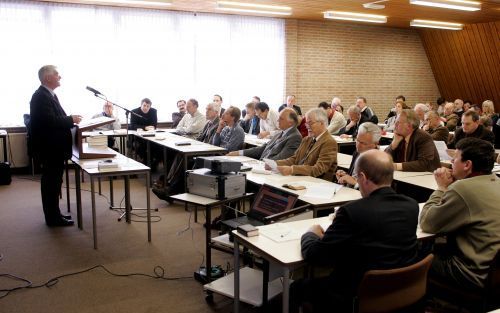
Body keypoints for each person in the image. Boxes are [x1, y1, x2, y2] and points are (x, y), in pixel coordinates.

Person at [290, 149, 419, 313]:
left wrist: (311, 234)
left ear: (363, 178)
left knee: (297, 287)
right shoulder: (411, 205)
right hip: (400, 288)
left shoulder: (351, 212)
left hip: (357, 293)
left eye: (357, 177)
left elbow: (316, 256)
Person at [420, 138, 500, 290]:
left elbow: (427, 223)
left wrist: (441, 188)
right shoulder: (496, 181)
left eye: (455, 158)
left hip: (474, 273)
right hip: (495, 271)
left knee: (417, 255)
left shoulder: (462, 188)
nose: (451, 161)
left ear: (467, 165)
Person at [30, 65, 82, 227]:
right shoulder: (40, 96)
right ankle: (52, 218)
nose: (60, 77)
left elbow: (53, 118)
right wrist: (71, 119)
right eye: (57, 74)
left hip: (55, 148)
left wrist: (69, 119)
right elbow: (49, 122)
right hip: (50, 149)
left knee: (54, 183)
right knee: (51, 184)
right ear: (47, 78)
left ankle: (55, 214)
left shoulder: (49, 95)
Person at [270, 108, 338, 181]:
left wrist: (292, 169)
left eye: (310, 123)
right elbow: (295, 159)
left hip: (316, 184)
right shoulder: (306, 139)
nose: (307, 126)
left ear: (322, 123)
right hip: (299, 179)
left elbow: (318, 169)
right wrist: (274, 163)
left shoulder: (329, 142)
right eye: (306, 123)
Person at [228, 108, 301, 160]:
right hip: (263, 165)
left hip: (271, 171)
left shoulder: (295, 137)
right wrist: (239, 152)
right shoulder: (279, 133)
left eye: (281, 119)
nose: (278, 120)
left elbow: (281, 158)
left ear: (290, 122)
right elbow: (263, 148)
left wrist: (261, 163)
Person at [336, 122, 380, 188]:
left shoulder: (379, 161)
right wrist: (344, 176)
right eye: (357, 140)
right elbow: (353, 177)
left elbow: (375, 190)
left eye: (363, 143)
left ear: (375, 144)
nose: (358, 145)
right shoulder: (357, 153)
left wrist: (355, 183)